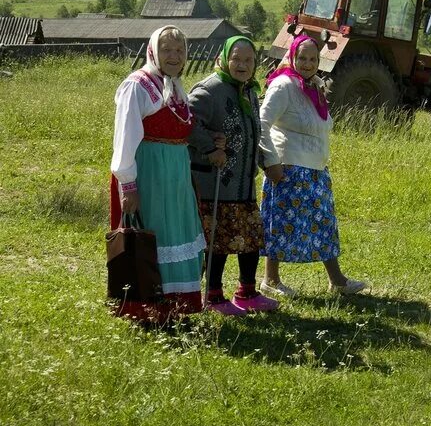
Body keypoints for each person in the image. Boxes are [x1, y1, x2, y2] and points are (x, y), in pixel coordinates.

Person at [259, 34, 367, 297]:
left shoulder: (314, 85)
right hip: (288, 169)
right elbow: (261, 123)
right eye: (302, 58)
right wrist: (271, 162)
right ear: (292, 57)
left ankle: (337, 281)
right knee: (281, 224)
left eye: (312, 58)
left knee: (324, 224)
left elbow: (322, 125)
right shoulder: (283, 85)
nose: (307, 63)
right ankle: (270, 280)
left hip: (316, 170)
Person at [110, 25, 206, 323]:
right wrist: (128, 186)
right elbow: (125, 137)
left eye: (180, 50)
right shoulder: (138, 85)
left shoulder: (175, 85)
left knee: (174, 232)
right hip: (149, 175)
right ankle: (147, 307)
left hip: (175, 176)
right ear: (153, 51)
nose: (174, 56)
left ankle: (176, 307)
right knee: (152, 235)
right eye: (167, 49)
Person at [188, 35, 278, 315]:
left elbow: (255, 132)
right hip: (217, 183)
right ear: (224, 59)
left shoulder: (249, 90)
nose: (242, 64)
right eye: (236, 59)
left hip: (243, 184)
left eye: (248, 60)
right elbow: (186, 121)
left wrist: (266, 161)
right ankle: (214, 297)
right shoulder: (209, 90)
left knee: (250, 238)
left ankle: (247, 293)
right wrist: (208, 146)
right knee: (219, 242)